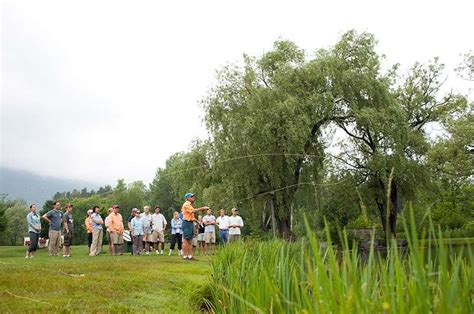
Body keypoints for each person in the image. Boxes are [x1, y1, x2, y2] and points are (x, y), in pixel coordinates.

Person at [181, 193, 209, 260]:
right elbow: (193, 211)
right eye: (191, 196)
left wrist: (197, 221)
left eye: (193, 196)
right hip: (186, 223)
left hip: (190, 223)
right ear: (187, 198)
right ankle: (185, 256)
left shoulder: (190, 205)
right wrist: (203, 208)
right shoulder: (186, 204)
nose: (193, 197)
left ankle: (190, 256)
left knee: (190, 240)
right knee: (186, 240)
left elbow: (191, 217)